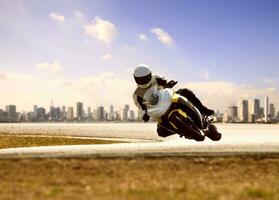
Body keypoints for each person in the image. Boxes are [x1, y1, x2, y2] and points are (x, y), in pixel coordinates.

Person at [132, 64, 215, 137]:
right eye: (140, 80)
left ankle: (203, 110)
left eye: (145, 78)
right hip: (159, 111)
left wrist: (169, 83)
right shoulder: (137, 95)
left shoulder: (155, 78)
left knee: (186, 92)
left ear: (150, 75)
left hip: (169, 98)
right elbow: (141, 108)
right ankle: (181, 130)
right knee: (161, 132)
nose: (143, 81)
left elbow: (165, 80)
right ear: (136, 79)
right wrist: (144, 115)